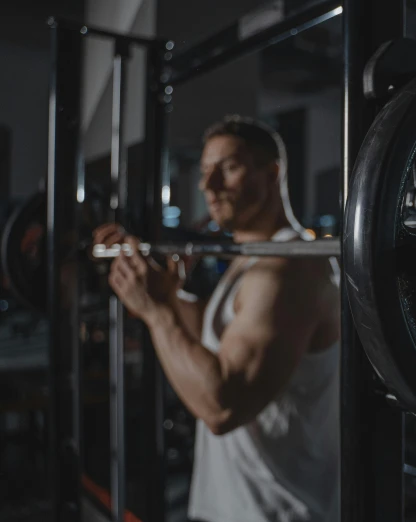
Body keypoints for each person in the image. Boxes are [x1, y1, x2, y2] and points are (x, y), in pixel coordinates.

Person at [93, 115, 341, 522]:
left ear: (272, 173)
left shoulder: (288, 267)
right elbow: (222, 339)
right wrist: (166, 295)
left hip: (277, 512)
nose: (209, 187)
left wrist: (157, 312)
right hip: (238, 507)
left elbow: (222, 406)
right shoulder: (254, 258)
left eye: (228, 168)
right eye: (206, 171)